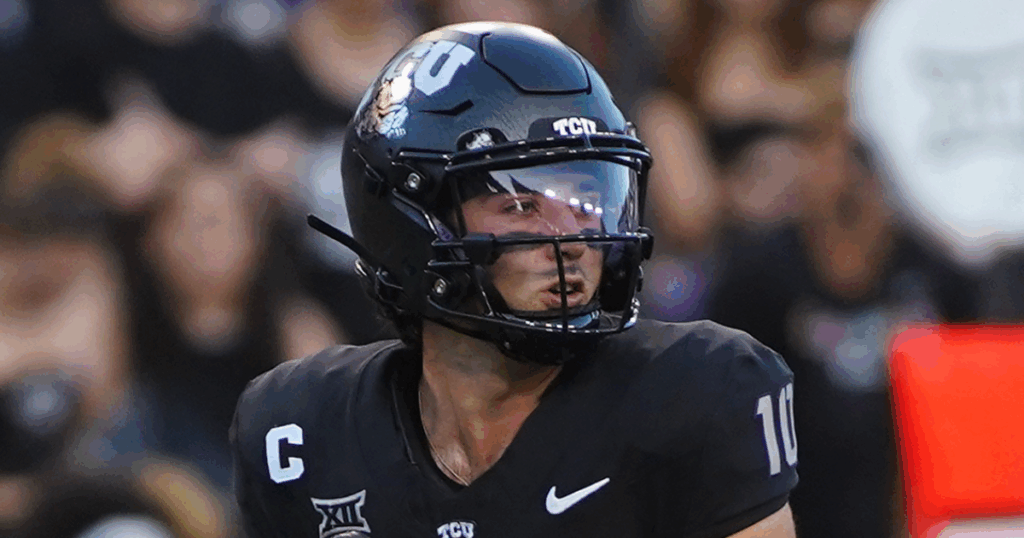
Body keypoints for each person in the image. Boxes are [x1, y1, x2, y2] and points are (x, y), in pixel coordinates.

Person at [230, 22, 798, 538]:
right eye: (522, 205)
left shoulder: (698, 393)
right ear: (411, 225)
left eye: (588, 198)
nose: (574, 237)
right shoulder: (301, 432)